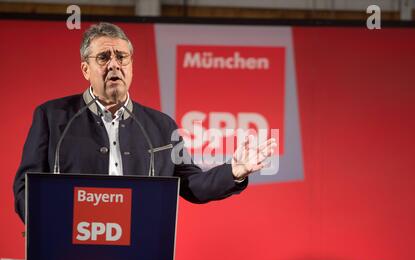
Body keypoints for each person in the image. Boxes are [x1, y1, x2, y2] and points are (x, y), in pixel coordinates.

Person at [13, 22, 276, 223]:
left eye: (122, 57)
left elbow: (192, 185)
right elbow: (26, 189)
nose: (114, 65)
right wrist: (54, 226)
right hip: (69, 255)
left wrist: (234, 171)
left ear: (131, 65)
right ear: (85, 69)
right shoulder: (53, 116)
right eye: (104, 57)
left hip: (139, 257)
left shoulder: (161, 126)